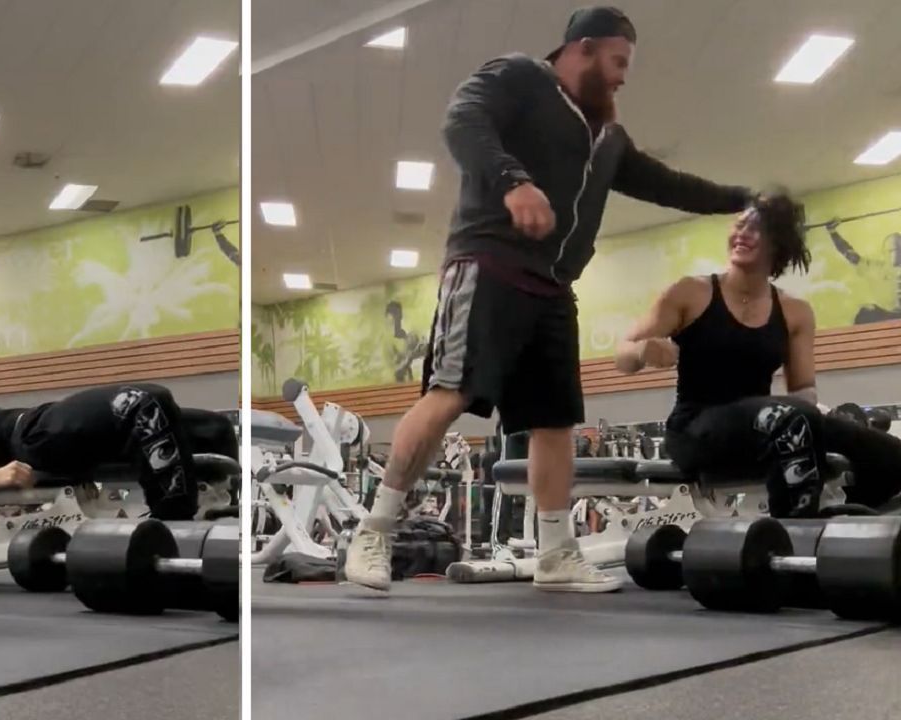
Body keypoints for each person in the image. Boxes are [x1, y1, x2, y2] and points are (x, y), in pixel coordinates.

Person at [344, 5, 756, 593]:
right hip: (487, 263)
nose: (621, 77)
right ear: (581, 49)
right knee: (450, 393)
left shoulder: (608, 137)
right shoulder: (518, 77)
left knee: (554, 420)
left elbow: (669, 185)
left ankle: (557, 553)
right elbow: (464, 124)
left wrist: (743, 197)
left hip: (554, 285)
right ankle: (374, 530)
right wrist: (513, 180)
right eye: (617, 62)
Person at [615, 193, 901, 517]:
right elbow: (622, 355)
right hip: (695, 430)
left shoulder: (796, 312)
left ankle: (850, 514)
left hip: (766, 427)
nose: (742, 234)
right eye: (740, 225)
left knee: (889, 454)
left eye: (756, 228)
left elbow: (803, 394)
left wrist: (835, 431)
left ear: (778, 243)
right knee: (791, 418)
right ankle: (794, 536)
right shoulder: (690, 292)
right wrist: (641, 350)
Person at [0, 364, 233, 520]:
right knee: (142, 400)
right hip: (34, 435)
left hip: (47, 424)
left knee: (213, 427)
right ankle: (173, 521)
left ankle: (228, 515)